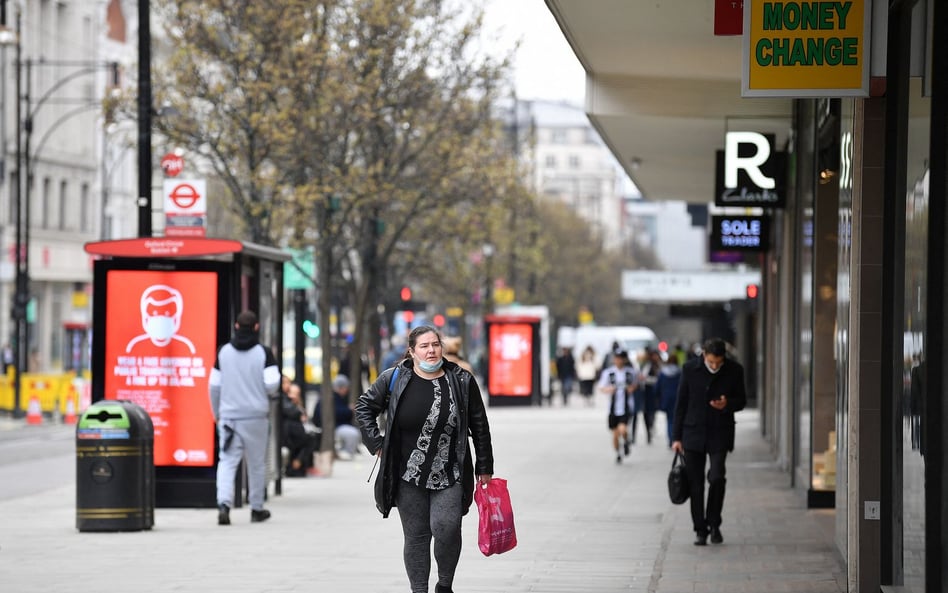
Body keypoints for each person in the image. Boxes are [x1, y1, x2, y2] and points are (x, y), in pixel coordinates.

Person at [355, 325, 494, 593]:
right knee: (417, 537)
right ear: (412, 351)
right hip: (408, 474)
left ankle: (444, 584)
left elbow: (479, 425)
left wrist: (484, 466)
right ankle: (419, 589)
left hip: (450, 471)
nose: (431, 350)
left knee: (447, 527)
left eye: (435, 344)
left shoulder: (462, 381)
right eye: (424, 346)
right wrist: (376, 444)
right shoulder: (394, 378)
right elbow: (364, 407)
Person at [672, 337, 747, 546]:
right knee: (695, 484)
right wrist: (676, 437)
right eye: (711, 361)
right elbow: (680, 405)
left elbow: (742, 400)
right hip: (692, 433)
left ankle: (714, 523)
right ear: (704, 355)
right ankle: (700, 529)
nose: (715, 366)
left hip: (719, 432)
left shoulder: (734, 370)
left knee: (716, 477)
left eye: (719, 362)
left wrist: (727, 404)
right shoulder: (689, 370)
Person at [209, 310, 281, 525]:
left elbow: (213, 386)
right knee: (257, 464)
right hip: (256, 417)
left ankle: (224, 505)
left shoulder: (223, 352)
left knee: (227, 461)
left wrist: (217, 414)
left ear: (236, 326)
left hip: (229, 418)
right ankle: (256, 508)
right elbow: (272, 384)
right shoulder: (264, 353)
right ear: (257, 327)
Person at [598, 349, 637, 464]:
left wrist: (631, 389)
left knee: (623, 429)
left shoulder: (630, 372)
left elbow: (635, 384)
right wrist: (609, 389)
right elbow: (601, 387)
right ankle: (618, 452)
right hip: (613, 408)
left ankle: (626, 441)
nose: (619, 360)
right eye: (617, 358)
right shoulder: (608, 373)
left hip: (626, 407)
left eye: (621, 358)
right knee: (615, 434)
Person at [314, 374, 363, 460]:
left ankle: (345, 451)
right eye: (345, 388)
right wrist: (349, 410)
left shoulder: (335, 396)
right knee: (353, 434)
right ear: (341, 387)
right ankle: (346, 453)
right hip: (333, 426)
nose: (347, 390)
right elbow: (336, 413)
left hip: (335, 425)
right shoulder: (332, 397)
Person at [280, 376, 320, 477]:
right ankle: (297, 464)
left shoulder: (287, 398)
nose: (288, 385)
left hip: (291, 431)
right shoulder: (282, 398)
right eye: (285, 383)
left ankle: (298, 464)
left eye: (289, 382)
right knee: (310, 438)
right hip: (286, 432)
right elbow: (293, 412)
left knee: (311, 437)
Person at [630, 348, 660, 444]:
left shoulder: (651, 366)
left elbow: (656, 379)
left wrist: (645, 379)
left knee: (646, 415)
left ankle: (648, 436)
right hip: (637, 393)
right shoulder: (634, 367)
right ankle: (633, 437)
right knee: (635, 415)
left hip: (648, 393)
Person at [655, 356, 682, 447]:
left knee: (669, 420)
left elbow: (657, 388)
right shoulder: (680, 372)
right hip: (678, 399)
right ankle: (676, 438)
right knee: (677, 419)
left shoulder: (663, 373)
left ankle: (671, 439)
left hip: (667, 400)